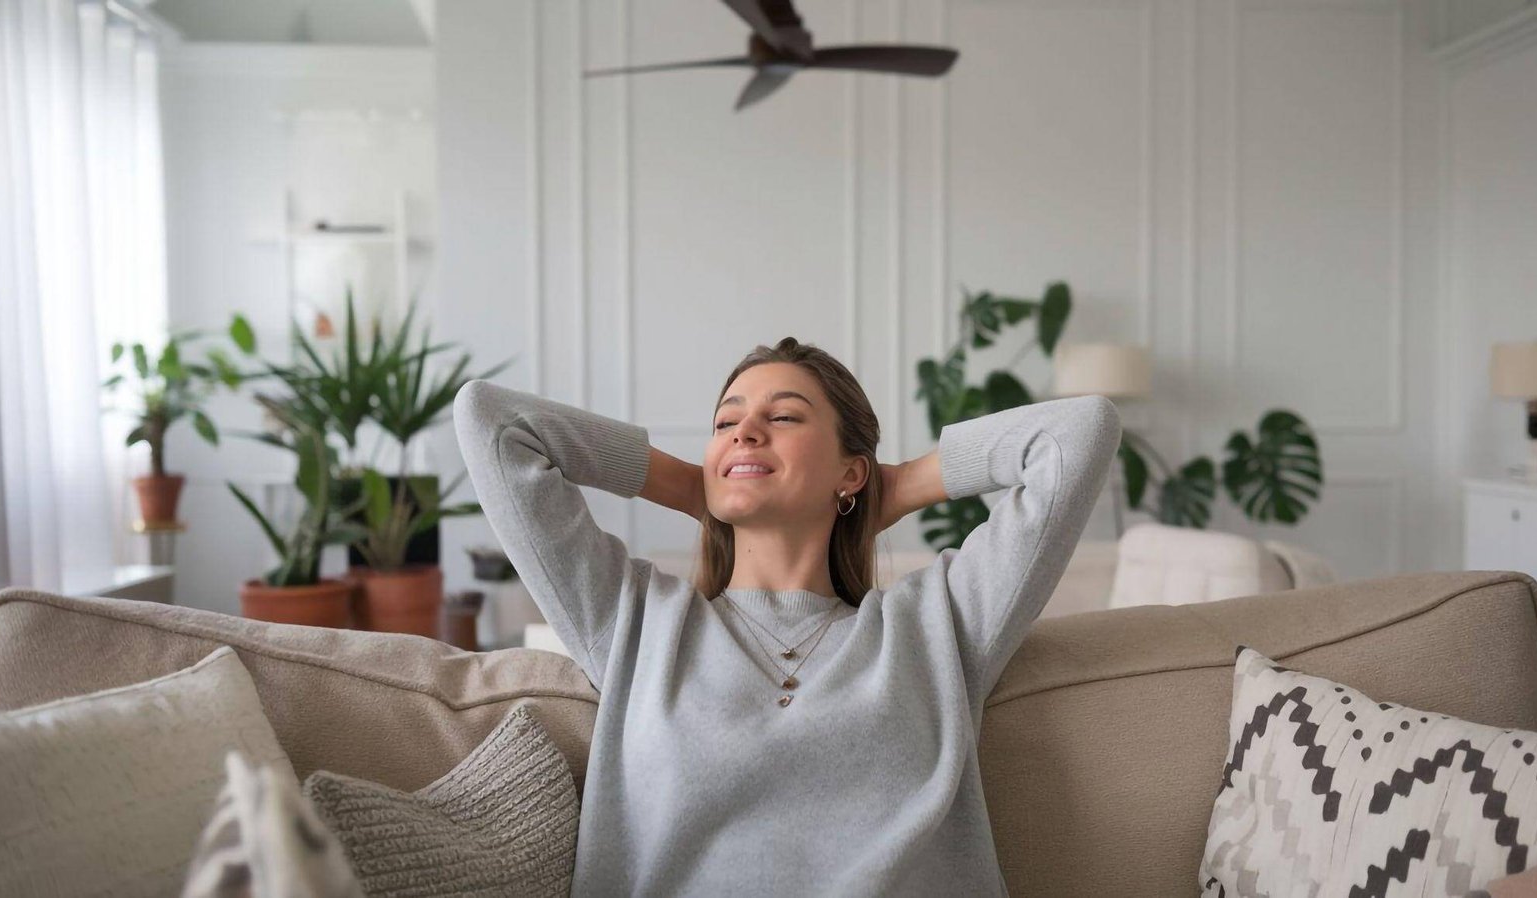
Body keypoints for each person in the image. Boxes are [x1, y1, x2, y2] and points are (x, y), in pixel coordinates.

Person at [453, 336, 1121, 897]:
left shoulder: (935, 627)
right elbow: (494, 423)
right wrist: (691, 484)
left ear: (851, 473)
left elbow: (1078, 433)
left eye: (785, 417)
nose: (744, 430)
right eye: (725, 423)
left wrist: (901, 483)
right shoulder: (635, 622)